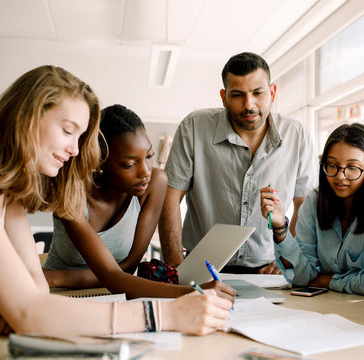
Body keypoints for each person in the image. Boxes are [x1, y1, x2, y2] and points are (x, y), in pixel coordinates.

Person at [0, 65, 231, 337]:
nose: (74, 150)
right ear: (27, 117)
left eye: (79, 137)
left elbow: (35, 286)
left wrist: (23, 311)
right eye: (67, 130)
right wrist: (164, 314)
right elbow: (30, 310)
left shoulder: (7, 190)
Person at [42, 104, 235, 300]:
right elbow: (113, 275)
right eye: (130, 164)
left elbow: (126, 270)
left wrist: (59, 277)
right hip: (55, 293)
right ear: (100, 163)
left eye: (149, 156)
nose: (145, 172)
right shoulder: (71, 191)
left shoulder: (155, 183)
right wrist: (195, 293)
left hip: (114, 292)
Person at [159, 52, 317, 274]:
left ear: (272, 92)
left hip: (269, 268)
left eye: (257, 93)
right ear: (224, 98)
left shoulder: (297, 135)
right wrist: (176, 268)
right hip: (202, 266)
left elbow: (306, 206)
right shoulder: (194, 127)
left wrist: (288, 258)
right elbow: (170, 197)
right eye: (237, 95)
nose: (248, 104)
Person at [260, 123, 364, 297]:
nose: (340, 176)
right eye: (332, 165)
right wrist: (280, 226)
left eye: (352, 168)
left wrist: (326, 280)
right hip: (330, 307)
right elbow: (302, 276)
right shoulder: (315, 200)